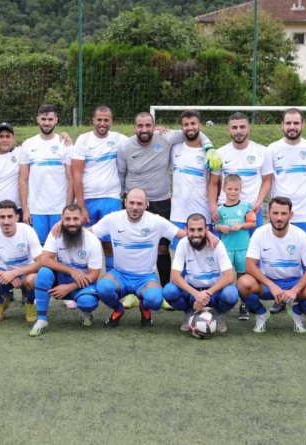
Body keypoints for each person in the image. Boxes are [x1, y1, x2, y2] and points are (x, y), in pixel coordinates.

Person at [91, 188, 217, 328]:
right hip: (119, 274)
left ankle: (144, 308)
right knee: (103, 287)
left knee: (155, 300)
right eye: (131, 202)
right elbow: (88, 233)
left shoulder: (156, 221)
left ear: (147, 205)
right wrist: (63, 227)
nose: (135, 207)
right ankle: (118, 309)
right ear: (125, 202)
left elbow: (183, 234)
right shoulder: (113, 218)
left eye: (139, 204)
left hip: (145, 277)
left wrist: (208, 234)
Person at [116, 111, 214, 288]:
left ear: (154, 127)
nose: (144, 129)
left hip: (161, 202)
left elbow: (194, 130)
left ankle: (166, 287)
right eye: (140, 125)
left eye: (148, 125)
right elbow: (121, 174)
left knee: (162, 248)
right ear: (134, 127)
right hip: (135, 204)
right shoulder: (125, 147)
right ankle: (131, 290)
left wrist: (209, 147)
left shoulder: (166, 138)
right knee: (134, 245)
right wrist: (123, 201)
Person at [237, 197, 306, 334]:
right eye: (275, 213)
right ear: (268, 214)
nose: (279, 218)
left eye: (283, 213)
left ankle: (297, 311)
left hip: (294, 283)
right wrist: (272, 286)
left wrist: (294, 290)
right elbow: (249, 265)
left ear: (290, 215)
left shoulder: (300, 235)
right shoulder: (260, 233)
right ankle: (261, 313)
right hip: (267, 284)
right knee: (242, 284)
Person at [267, 108, 306, 315]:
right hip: (279, 215)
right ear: (282, 124)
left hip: (305, 213)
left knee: (304, 259)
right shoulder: (272, 149)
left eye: (296, 123)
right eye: (288, 123)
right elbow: (268, 179)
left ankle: (303, 296)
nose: (292, 127)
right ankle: (280, 298)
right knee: (278, 257)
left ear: (303, 125)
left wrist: (303, 195)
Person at [30, 205, 103, 337]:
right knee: (44, 272)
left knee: (87, 303)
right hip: (62, 277)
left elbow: (94, 275)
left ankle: (85, 312)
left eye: (75, 219)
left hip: (82, 282)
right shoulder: (55, 234)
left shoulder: (92, 240)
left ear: (82, 219)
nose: (71, 223)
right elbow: (45, 259)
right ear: (61, 220)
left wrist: (69, 287)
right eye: (67, 219)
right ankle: (41, 320)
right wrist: (71, 271)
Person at [71, 105, 128, 273]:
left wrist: (160, 131)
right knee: (83, 243)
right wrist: (81, 206)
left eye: (106, 120)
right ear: (93, 120)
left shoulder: (119, 139)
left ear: (111, 121)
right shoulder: (83, 140)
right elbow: (76, 174)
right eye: (99, 120)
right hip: (87, 200)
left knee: (110, 243)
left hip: (111, 198)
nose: (103, 123)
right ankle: (85, 284)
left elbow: (142, 139)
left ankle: (112, 280)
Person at [163, 213, 239, 333]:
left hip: (214, 291)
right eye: (192, 230)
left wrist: (206, 294)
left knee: (231, 294)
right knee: (169, 291)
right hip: (192, 291)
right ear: (186, 230)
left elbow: (229, 277)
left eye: (200, 229)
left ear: (206, 230)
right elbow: (175, 276)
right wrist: (196, 294)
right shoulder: (183, 244)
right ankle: (189, 312)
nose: (196, 234)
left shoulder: (217, 244)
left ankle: (218, 314)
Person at [0, 200, 42, 323]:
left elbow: (41, 262)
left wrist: (15, 273)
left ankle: (30, 303)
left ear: (17, 217)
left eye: (10, 216)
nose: (6, 221)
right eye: (2, 217)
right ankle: (0, 302)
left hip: (26, 272)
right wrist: (4, 274)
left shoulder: (28, 231)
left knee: (35, 280)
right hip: (3, 272)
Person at [19, 104, 74, 245]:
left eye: (50, 119)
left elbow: (71, 180)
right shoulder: (28, 144)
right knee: (39, 249)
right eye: (43, 119)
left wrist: (67, 210)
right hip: (36, 209)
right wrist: (25, 210)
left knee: (60, 247)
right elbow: (23, 180)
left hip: (59, 208)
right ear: (38, 119)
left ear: (56, 120)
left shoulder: (65, 144)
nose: (47, 123)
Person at [208, 112, 273, 229]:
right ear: (228, 130)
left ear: (249, 129)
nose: (238, 131)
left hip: (251, 210)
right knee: (225, 247)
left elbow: (267, 180)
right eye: (234, 127)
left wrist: (258, 203)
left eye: (242, 127)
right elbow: (213, 183)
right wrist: (213, 206)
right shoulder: (220, 153)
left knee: (253, 247)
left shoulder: (263, 151)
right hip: (225, 211)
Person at [214, 174, 256, 319]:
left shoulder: (245, 207)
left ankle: (244, 305)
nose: (233, 192)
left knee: (242, 276)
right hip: (226, 248)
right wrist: (221, 228)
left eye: (236, 189)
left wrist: (241, 225)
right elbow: (216, 226)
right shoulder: (220, 209)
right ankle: (223, 301)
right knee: (225, 276)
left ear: (240, 190)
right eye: (230, 189)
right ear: (224, 189)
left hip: (243, 247)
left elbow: (253, 223)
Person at [169, 110, 212, 250]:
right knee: (179, 255)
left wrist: (213, 206)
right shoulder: (174, 149)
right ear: (181, 128)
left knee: (204, 253)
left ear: (200, 125)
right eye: (186, 124)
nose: (190, 127)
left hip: (202, 212)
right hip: (178, 214)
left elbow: (214, 183)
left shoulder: (210, 153)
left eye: (193, 123)